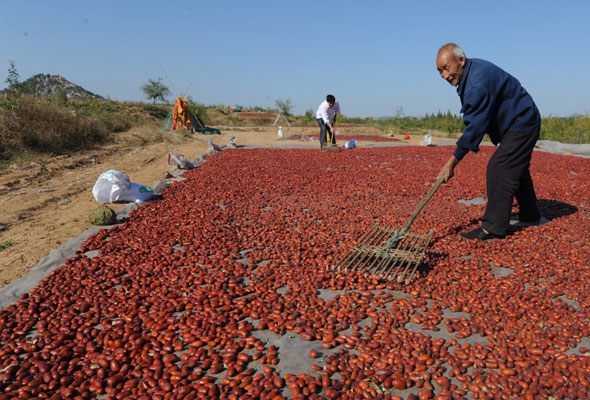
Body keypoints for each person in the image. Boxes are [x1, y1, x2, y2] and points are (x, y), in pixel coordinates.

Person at [436, 43, 542, 240]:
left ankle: (493, 227)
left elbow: (475, 127)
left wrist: (451, 163)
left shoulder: (477, 83)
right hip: (514, 122)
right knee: (514, 166)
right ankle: (530, 214)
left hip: (522, 121)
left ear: (461, 61)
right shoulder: (471, 73)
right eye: (440, 71)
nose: (444, 75)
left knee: (499, 168)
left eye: (446, 68)